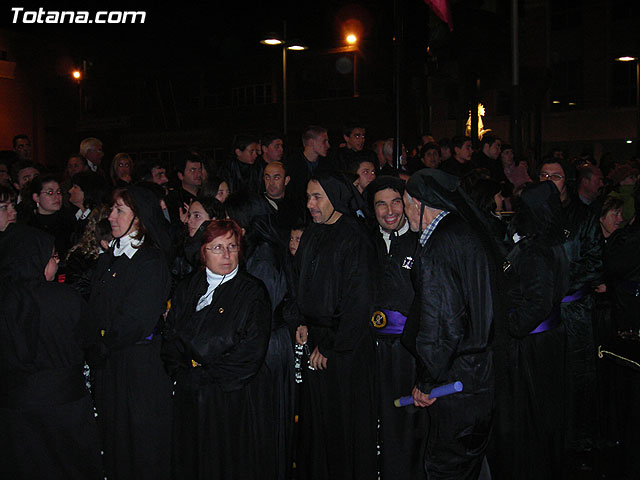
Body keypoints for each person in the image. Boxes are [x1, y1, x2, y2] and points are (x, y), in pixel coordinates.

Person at [401, 168, 496, 479]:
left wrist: (427, 381)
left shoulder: (439, 246)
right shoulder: (463, 231)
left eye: (404, 202)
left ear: (419, 202)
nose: (403, 212)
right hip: (478, 377)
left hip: (455, 382)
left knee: (446, 468)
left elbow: (442, 324)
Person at [162, 219, 275, 479]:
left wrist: (204, 375)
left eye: (232, 247)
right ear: (203, 252)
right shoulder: (189, 286)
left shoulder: (252, 291)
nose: (226, 255)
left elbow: (250, 351)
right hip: (192, 393)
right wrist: (181, 372)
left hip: (232, 396)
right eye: (217, 247)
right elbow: (170, 335)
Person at [0, 224, 102, 479]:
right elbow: (93, 344)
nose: (57, 263)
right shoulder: (65, 298)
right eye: (53, 256)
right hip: (65, 405)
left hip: (14, 406)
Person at [294, 172, 377, 480]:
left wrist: (332, 347)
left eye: (317, 197)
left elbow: (358, 300)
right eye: (308, 197)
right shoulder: (314, 233)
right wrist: (300, 320)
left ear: (334, 197)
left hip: (344, 348)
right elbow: (299, 280)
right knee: (318, 425)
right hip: (316, 338)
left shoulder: (354, 237)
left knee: (343, 424)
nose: (310, 204)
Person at [88, 185, 172, 480]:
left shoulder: (149, 261)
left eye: (119, 210)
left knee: (140, 445)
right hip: (112, 364)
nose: (111, 216)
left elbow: (136, 320)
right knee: (115, 442)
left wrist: (99, 343)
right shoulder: (110, 256)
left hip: (138, 367)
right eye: (112, 209)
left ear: (139, 218)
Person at [489, 181, 569, 480]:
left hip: (533, 347)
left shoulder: (537, 249)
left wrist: (507, 328)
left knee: (530, 415)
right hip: (543, 341)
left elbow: (537, 303)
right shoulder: (549, 241)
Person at [365, 176, 426, 479]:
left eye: (395, 201)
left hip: (409, 351)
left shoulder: (421, 240)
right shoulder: (365, 243)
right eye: (380, 204)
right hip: (370, 349)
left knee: (408, 421)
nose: (389, 210)